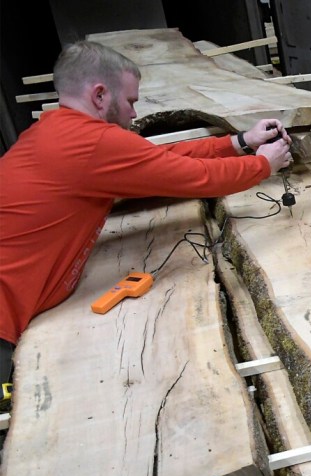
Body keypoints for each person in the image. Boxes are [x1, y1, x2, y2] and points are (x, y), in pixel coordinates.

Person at [0, 40, 295, 384]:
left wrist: (239, 142)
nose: (134, 114)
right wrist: (263, 165)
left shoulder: (56, 133)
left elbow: (160, 160)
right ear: (99, 95)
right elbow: (197, 178)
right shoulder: (92, 144)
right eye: (130, 101)